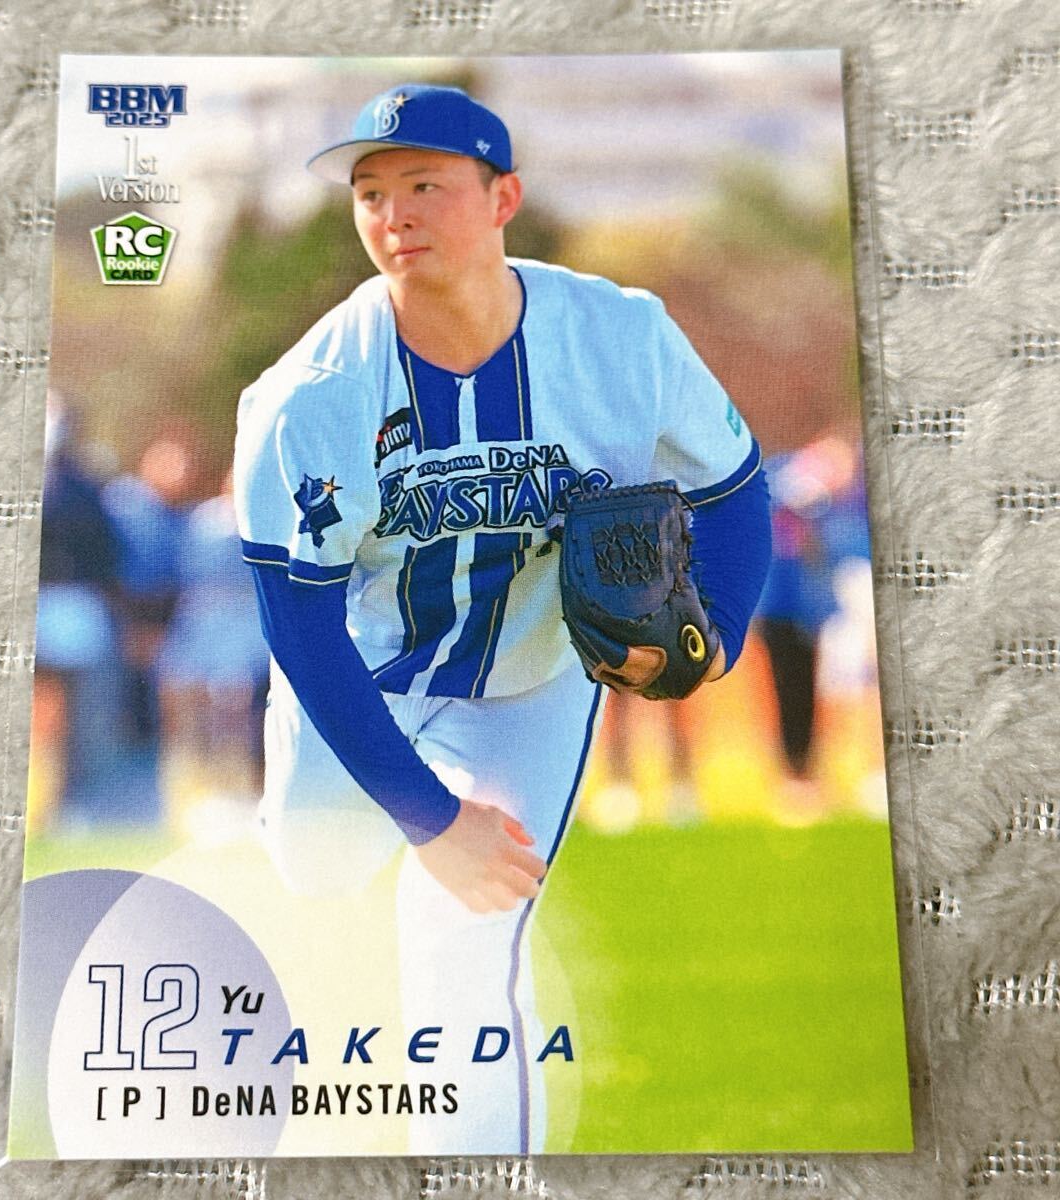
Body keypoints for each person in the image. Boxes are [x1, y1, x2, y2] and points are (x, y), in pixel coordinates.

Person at [233, 83, 772, 1154]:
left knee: (464, 951)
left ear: (503, 198)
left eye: (425, 185)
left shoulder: (620, 338)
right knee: (316, 869)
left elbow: (734, 485)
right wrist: (430, 819)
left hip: (530, 679)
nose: (394, 213)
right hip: (363, 671)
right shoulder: (312, 395)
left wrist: (718, 636)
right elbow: (299, 629)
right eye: (371, 192)